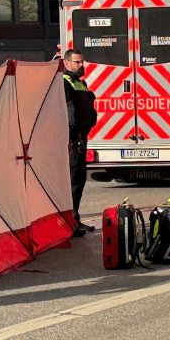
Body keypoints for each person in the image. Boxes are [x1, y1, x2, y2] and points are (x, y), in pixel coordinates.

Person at [62, 49, 97, 236]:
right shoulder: (64, 82)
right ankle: (70, 224)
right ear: (67, 63)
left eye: (82, 61)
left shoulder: (80, 83)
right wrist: (73, 136)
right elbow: (68, 114)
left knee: (79, 181)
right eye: (77, 62)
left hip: (82, 138)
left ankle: (75, 220)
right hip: (72, 140)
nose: (81, 65)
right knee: (73, 182)